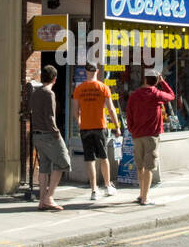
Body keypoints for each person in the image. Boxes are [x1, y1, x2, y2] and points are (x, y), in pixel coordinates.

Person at [125, 67, 175, 205]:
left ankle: (141, 194)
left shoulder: (134, 95)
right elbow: (171, 95)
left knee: (140, 166)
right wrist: (163, 82)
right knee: (149, 167)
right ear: (156, 81)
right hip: (152, 136)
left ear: (145, 79)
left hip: (137, 135)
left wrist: (131, 129)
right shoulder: (156, 94)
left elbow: (128, 114)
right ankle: (145, 198)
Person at [73, 64, 120, 201]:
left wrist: (79, 121)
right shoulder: (103, 87)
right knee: (103, 157)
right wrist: (117, 126)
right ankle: (107, 186)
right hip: (100, 126)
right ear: (97, 71)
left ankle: (94, 190)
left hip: (85, 127)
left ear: (86, 72)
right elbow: (111, 109)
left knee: (90, 159)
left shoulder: (79, 89)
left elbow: (75, 111)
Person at [28, 64, 71, 211]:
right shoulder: (49, 93)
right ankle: (49, 197)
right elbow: (50, 117)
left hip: (37, 135)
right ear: (55, 79)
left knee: (45, 167)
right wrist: (56, 133)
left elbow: (31, 113)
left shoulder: (35, 93)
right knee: (63, 161)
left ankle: (42, 201)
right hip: (48, 135)